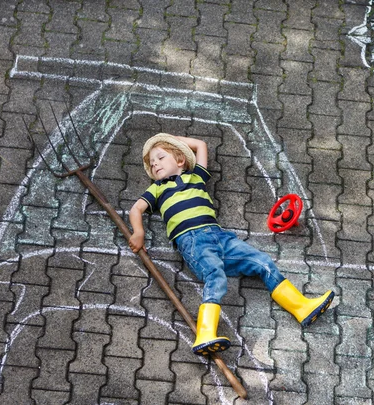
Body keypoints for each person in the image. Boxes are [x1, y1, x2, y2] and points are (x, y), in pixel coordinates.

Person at [129, 133, 335, 356]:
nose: (155, 164)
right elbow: (136, 209)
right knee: (215, 276)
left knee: (262, 261)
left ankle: (301, 307)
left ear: (180, 160)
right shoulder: (157, 189)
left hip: (219, 236)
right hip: (191, 240)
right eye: (152, 163)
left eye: (160, 157)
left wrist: (172, 139)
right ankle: (205, 333)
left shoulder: (195, 176)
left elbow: (201, 144)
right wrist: (138, 232)